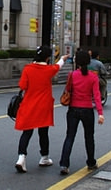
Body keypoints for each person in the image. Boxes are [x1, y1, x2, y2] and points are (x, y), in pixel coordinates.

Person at [14, 45, 69, 173]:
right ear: (48, 58)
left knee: (27, 132)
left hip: (29, 105)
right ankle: (44, 157)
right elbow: (58, 66)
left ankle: (21, 158)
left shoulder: (28, 69)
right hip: (43, 106)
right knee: (43, 132)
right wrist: (62, 58)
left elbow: (22, 85)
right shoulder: (48, 69)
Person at [59, 50, 105, 175]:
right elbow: (96, 96)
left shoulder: (72, 75)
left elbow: (68, 90)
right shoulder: (93, 77)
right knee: (89, 137)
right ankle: (91, 162)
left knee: (70, 136)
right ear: (89, 62)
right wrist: (100, 113)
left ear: (77, 62)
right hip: (87, 110)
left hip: (73, 109)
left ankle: (64, 164)